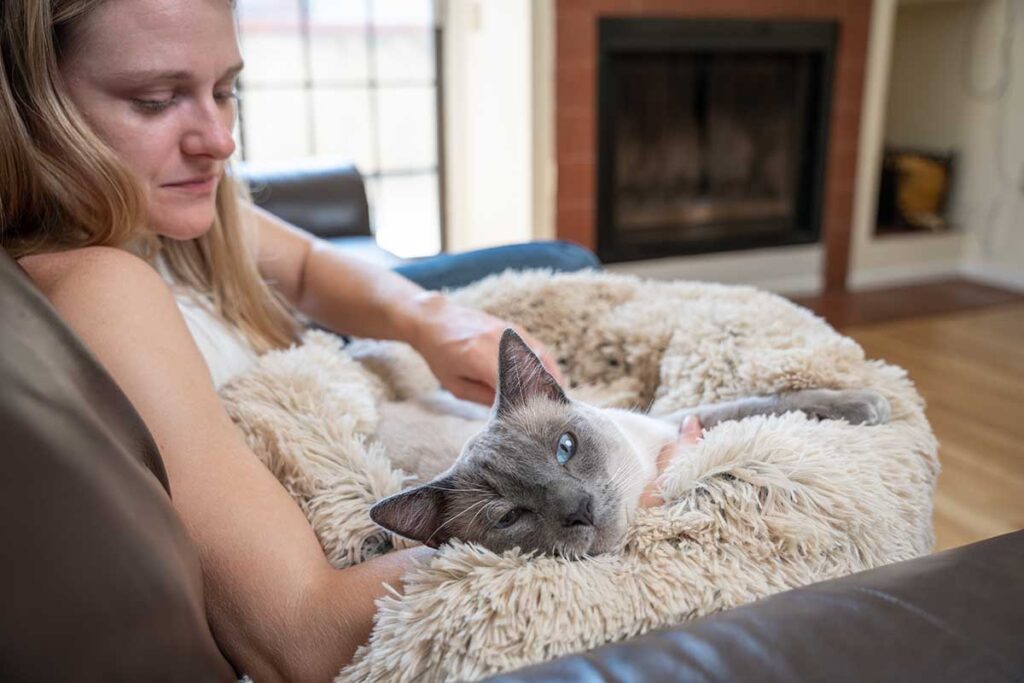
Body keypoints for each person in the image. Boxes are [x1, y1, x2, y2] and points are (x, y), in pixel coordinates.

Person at [0, 1, 701, 679]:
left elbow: (304, 266)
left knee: (563, 259)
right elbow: (302, 632)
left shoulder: (172, 211)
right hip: (398, 463)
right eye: (156, 99)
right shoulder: (103, 289)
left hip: (377, 384)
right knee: (572, 267)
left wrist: (429, 318)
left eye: (225, 89)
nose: (220, 140)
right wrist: (613, 500)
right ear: (33, 103)